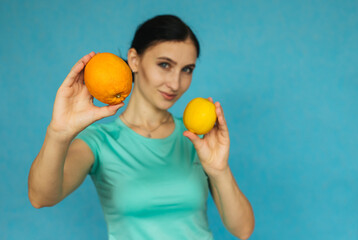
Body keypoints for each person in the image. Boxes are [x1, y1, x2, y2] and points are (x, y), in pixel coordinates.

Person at [28, 15, 255, 240]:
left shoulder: (196, 139)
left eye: (187, 69)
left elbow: (243, 230)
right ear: (134, 60)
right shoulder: (100, 141)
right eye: (165, 65)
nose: (175, 83)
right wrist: (58, 133)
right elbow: (41, 197)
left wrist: (219, 169)